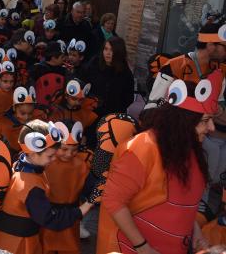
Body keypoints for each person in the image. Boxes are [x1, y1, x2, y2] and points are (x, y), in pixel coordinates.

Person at [96, 71, 223, 254]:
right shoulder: (142, 148)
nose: (211, 128)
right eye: (205, 121)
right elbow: (113, 201)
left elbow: (180, 204)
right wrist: (143, 247)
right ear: (183, 121)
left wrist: (194, 229)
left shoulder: (190, 149)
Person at [0, 120, 93, 254]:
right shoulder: (31, 186)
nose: (54, 159)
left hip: (9, 239)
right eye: (50, 156)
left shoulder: (20, 166)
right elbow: (51, 220)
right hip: (17, 244)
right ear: (33, 153)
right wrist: (86, 206)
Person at [147, 22, 226, 107]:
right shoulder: (173, 66)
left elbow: (218, 106)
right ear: (210, 45)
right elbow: (153, 106)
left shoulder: (220, 72)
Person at [41, 120, 89, 254]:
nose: (69, 154)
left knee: (70, 246)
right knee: (46, 245)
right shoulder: (45, 162)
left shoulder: (81, 164)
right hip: (47, 214)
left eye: (74, 150)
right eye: (64, 149)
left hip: (70, 214)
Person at [85, 36, 134, 117]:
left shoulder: (125, 73)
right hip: (91, 112)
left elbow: (128, 99)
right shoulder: (94, 63)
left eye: (112, 50)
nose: (108, 53)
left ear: (119, 52)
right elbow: (83, 82)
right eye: (106, 49)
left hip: (112, 116)